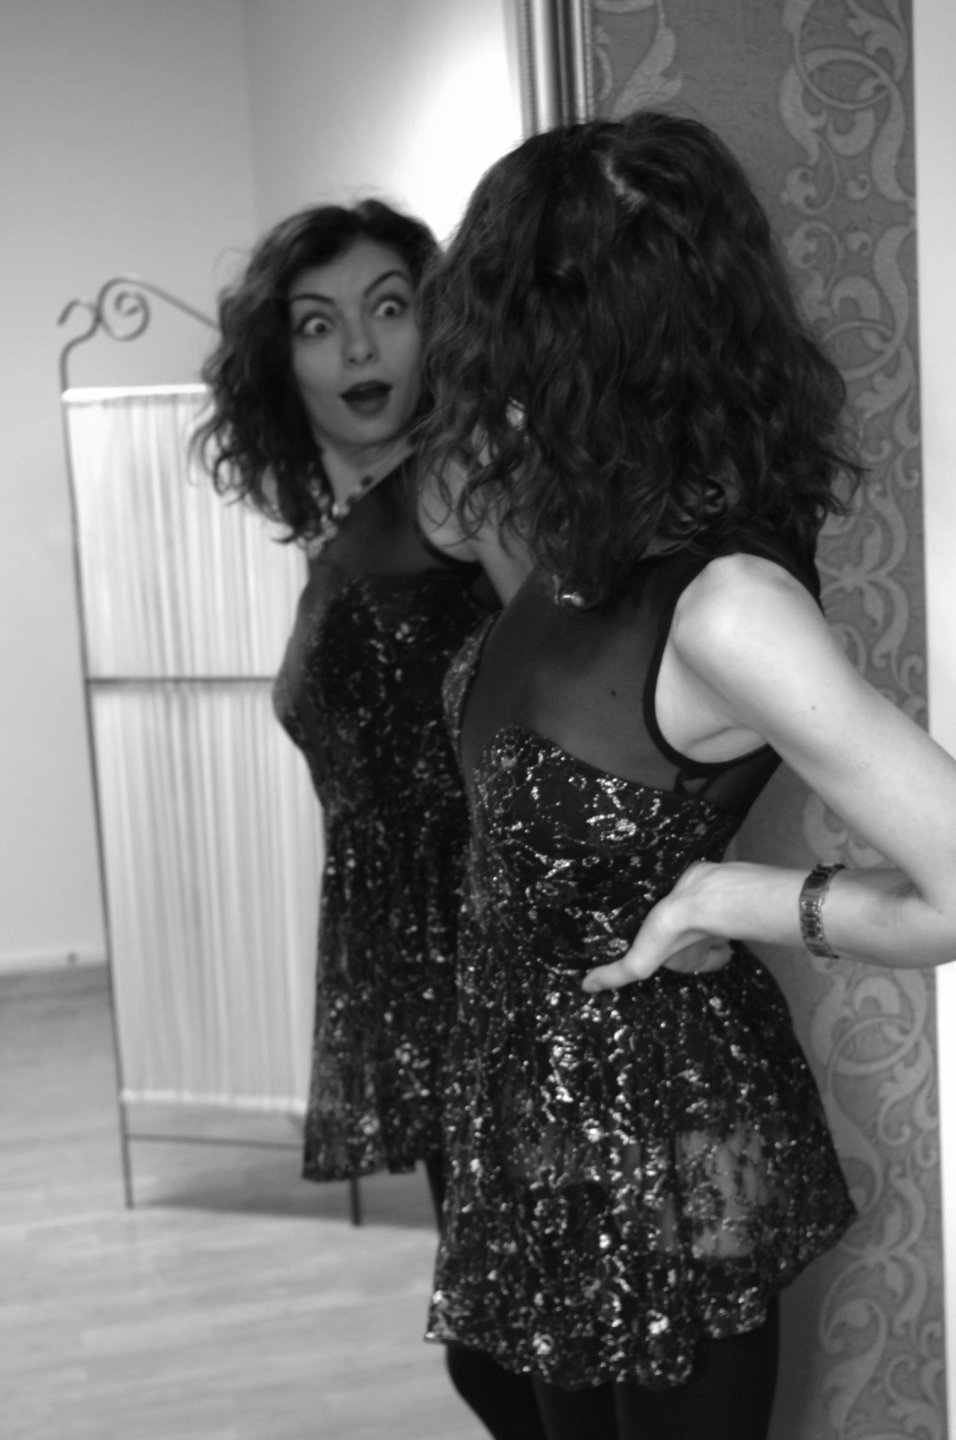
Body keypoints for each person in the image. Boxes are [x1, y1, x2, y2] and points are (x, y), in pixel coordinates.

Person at [417, 111, 956, 1440]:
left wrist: (735, 897)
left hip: (683, 1133)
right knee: (505, 1390)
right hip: (536, 1105)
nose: (490, 386)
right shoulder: (574, 542)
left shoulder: (729, 608)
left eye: (517, 342)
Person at [195, 200, 540, 1439]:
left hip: (496, 948)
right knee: (503, 1346)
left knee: (517, 1349)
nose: (358, 347)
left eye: (389, 309)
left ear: (435, 326)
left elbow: (578, 680)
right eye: (317, 323)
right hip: (417, 956)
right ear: (278, 360)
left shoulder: (459, 477)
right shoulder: (343, 524)